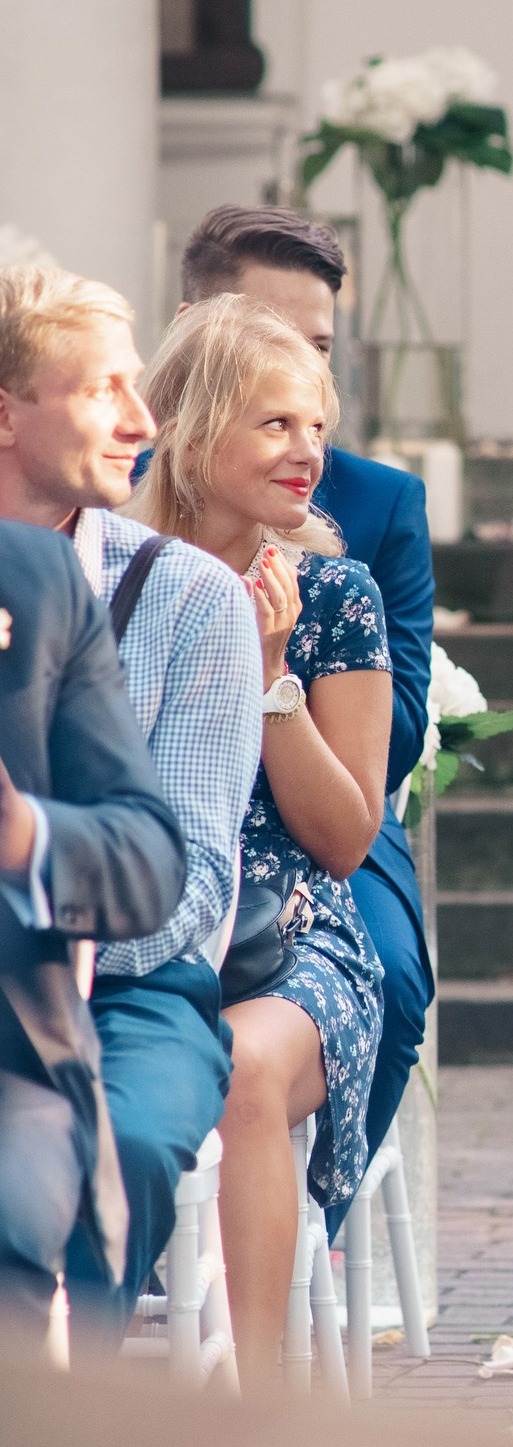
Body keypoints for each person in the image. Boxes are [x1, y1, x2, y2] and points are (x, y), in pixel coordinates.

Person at [124, 295, 390, 1386]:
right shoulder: (112, 577)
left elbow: (344, 837)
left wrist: (273, 674)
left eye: (317, 426)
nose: (309, 452)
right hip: (143, 920)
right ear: (191, 431)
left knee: (236, 1072)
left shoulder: (334, 595)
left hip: (292, 941)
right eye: (276, 424)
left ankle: (263, 1401)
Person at [0, 264, 261, 1353]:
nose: (144, 423)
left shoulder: (189, 596)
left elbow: (190, 874)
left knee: (119, 1140)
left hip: (137, 992)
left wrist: (32, 861)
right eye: (106, 390)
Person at [178, 206, 433, 1243]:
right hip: (150, 857)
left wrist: (280, 677)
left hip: (313, 841)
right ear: (196, 332)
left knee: (387, 965)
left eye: (316, 351)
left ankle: (287, 1232)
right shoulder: (106, 516)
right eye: (265, 339)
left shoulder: (366, 513)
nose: (307, 445)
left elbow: (398, 731)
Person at [0, 520, 185, 1354]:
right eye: (104, 387)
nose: (138, 422)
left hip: (61, 1022)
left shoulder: (30, 576)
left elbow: (160, 865)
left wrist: (23, 837)